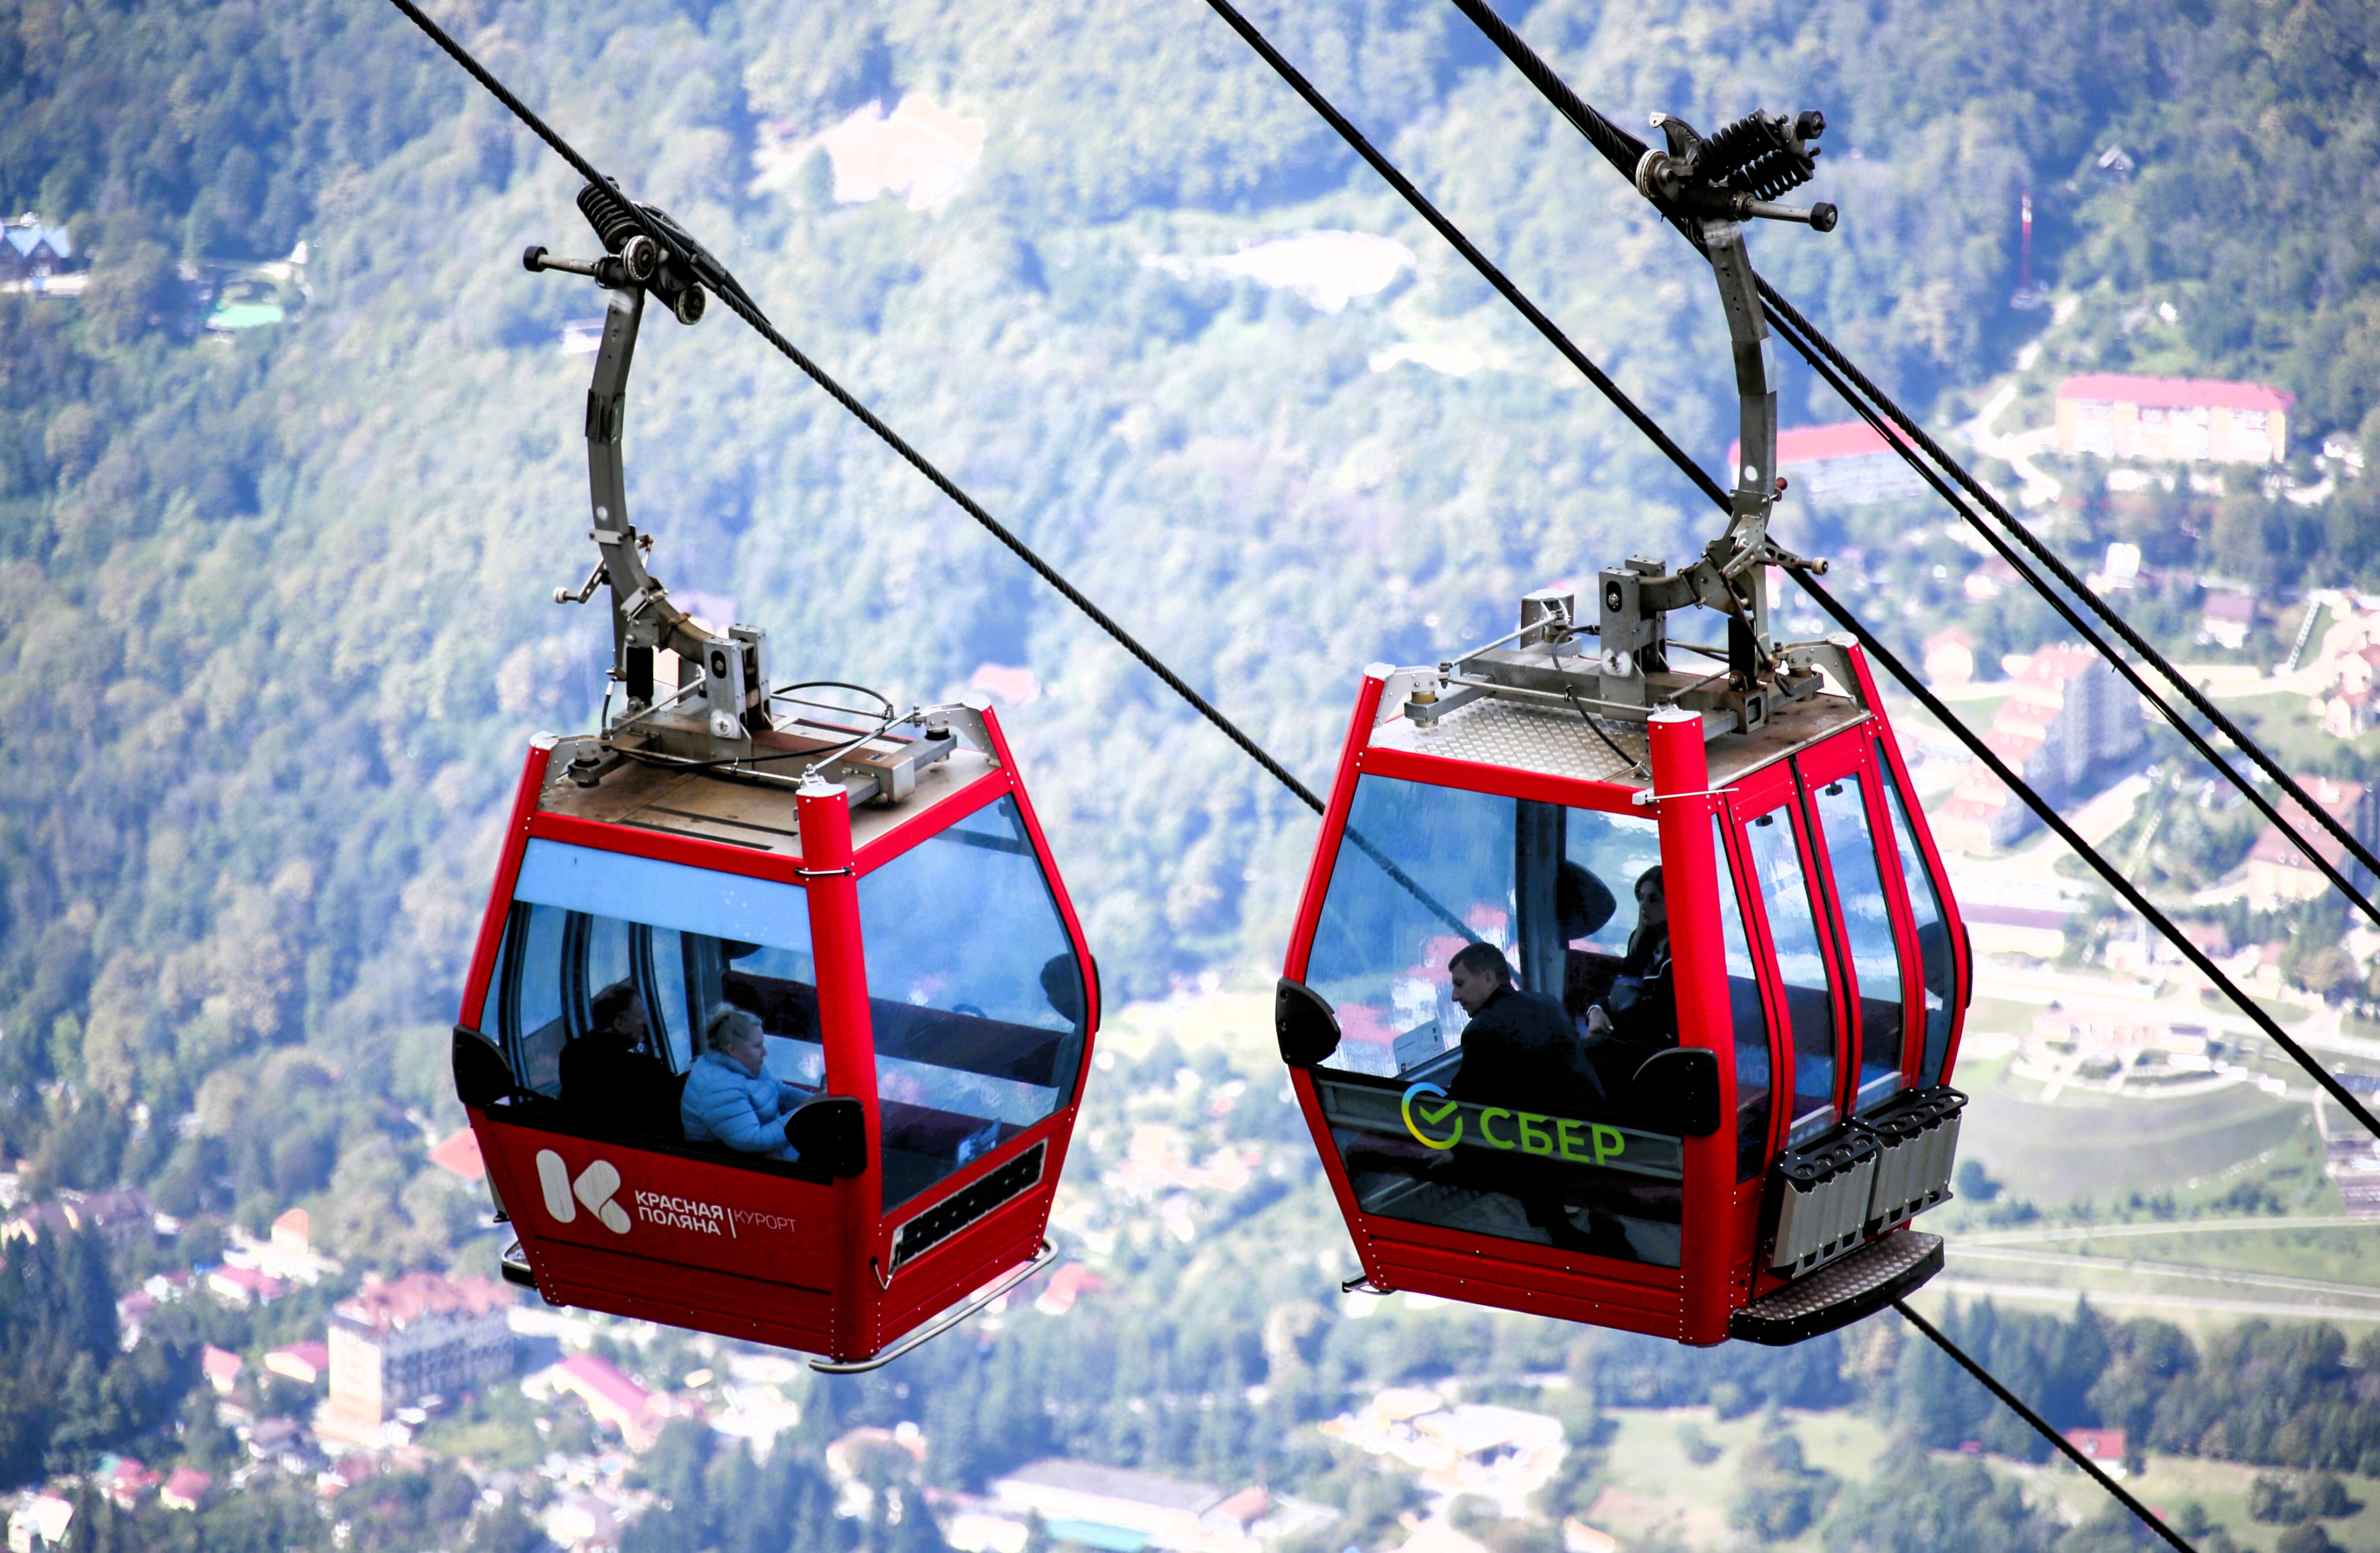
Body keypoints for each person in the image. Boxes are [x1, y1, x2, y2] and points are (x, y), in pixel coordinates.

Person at [1444, 942, 1598, 1111]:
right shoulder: (1549, 1005)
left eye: (1460, 984)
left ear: (1489, 979)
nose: (1454, 996)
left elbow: (1458, 1107)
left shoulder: (1481, 1031)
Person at [682, 1006, 806, 1160]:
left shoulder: (746, 1063)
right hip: (742, 1168)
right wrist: (804, 1115)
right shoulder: (718, 1088)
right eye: (757, 1046)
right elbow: (753, 1140)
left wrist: (819, 1100)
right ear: (732, 1049)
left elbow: (779, 1090)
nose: (765, 1052)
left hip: (776, 1152)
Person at [561, 983, 681, 1139]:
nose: (646, 1021)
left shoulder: (572, 1056)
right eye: (640, 1016)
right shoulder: (643, 1072)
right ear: (619, 1024)